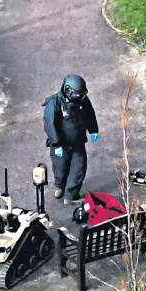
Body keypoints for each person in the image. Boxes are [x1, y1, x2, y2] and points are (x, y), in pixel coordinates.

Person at [42, 74, 99, 205]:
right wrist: (56, 144)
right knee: (60, 167)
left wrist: (93, 129)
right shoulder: (54, 102)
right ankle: (59, 186)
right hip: (61, 144)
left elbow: (90, 114)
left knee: (79, 168)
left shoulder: (83, 101)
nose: (79, 98)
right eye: (76, 95)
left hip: (78, 143)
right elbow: (49, 123)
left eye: (82, 95)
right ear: (67, 90)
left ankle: (71, 195)